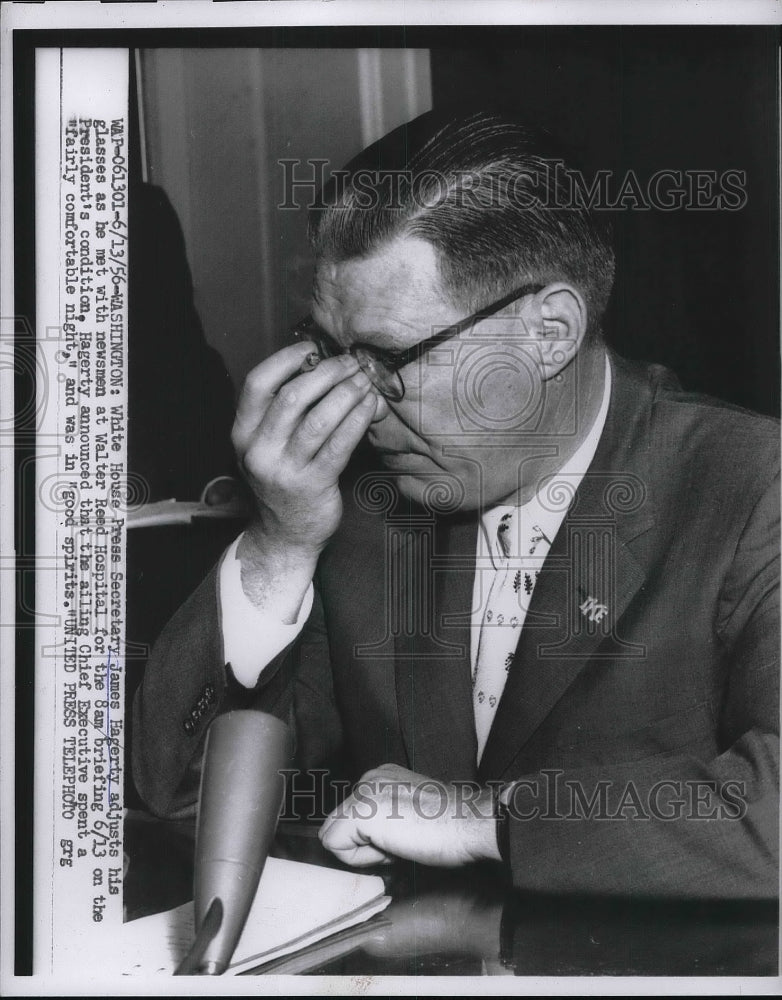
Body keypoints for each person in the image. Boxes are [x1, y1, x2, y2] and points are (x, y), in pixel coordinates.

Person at [132, 109, 779, 899]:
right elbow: (178, 794)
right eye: (336, 353)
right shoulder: (361, 502)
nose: (360, 409)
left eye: (389, 359)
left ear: (550, 331)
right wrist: (279, 541)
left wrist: (485, 821)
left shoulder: (750, 487)